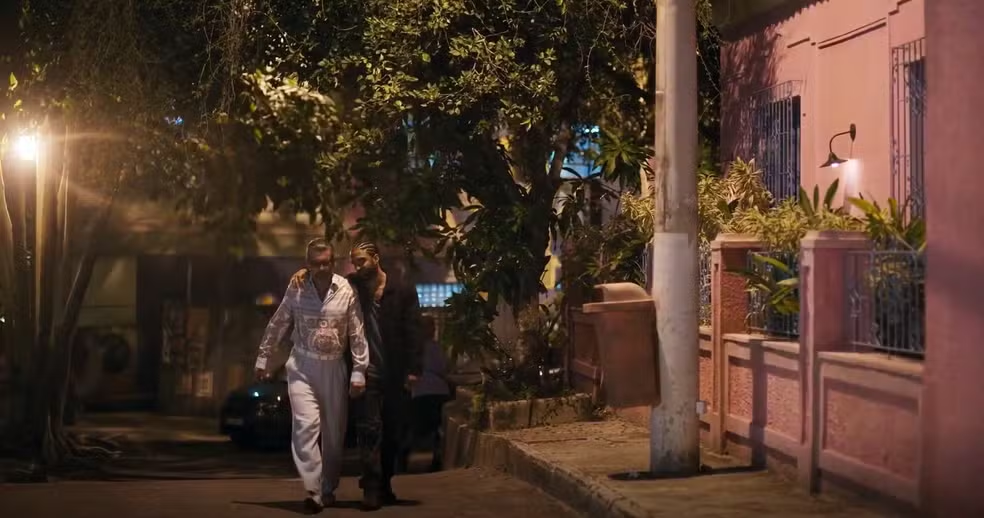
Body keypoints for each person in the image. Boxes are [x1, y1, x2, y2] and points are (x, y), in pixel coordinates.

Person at [254, 238, 369, 515]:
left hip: (334, 367)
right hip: (302, 365)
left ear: (333, 262)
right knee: (305, 427)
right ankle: (313, 491)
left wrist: (359, 371)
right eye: (316, 264)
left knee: (334, 434)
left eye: (327, 262)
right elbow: (279, 322)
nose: (322, 268)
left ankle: (328, 487)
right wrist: (263, 357)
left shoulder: (346, 290)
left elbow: (357, 332)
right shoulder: (296, 287)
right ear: (307, 264)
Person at [347, 241, 423, 510]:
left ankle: (385, 483)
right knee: (369, 430)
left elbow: (414, 330)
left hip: (395, 372)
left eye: (362, 261)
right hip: (365, 373)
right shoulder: (352, 287)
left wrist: (414, 369)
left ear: (376, 258)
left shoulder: (401, 289)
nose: (357, 267)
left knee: (392, 431)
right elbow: (324, 283)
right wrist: (303, 274)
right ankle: (370, 487)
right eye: (354, 262)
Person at [401, 314, 450, 473]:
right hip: (438, 392)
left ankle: (402, 461)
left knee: (415, 428)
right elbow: (443, 368)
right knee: (437, 429)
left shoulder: (412, 349)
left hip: (420, 393)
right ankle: (436, 459)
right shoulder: (436, 347)